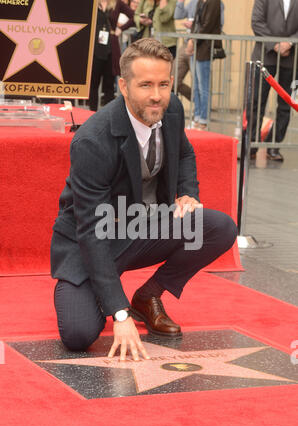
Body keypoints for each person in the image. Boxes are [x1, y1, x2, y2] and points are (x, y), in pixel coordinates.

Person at [51, 38, 237, 361]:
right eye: (146, 85)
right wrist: (118, 314)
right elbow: (91, 230)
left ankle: (148, 295)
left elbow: (185, 151)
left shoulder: (171, 108)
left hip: (143, 228)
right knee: (79, 334)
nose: (156, 95)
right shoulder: (93, 140)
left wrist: (188, 192)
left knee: (219, 228)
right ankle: (102, 288)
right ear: (123, 86)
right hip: (92, 238)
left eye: (164, 84)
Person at [250, 0, 298, 161]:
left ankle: (273, 146)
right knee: (255, 101)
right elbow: (257, 22)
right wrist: (275, 44)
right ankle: (251, 145)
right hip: (264, 56)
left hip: (291, 59)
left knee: (286, 104)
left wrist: (289, 43)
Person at [174, 0, 224, 127]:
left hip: (205, 48)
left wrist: (192, 40)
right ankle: (196, 116)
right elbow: (196, 23)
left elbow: (207, 25)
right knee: (196, 85)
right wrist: (192, 39)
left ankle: (203, 119)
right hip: (195, 45)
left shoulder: (214, 2)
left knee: (203, 87)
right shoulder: (199, 2)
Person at [89, 0, 134, 111]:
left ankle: (108, 118)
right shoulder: (91, 3)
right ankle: (91, 115)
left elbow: (135, 17)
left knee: (109, 85)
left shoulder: (117, 3)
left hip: (111, 48)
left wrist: (121, 29)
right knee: (93, 84)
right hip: (94, 48)